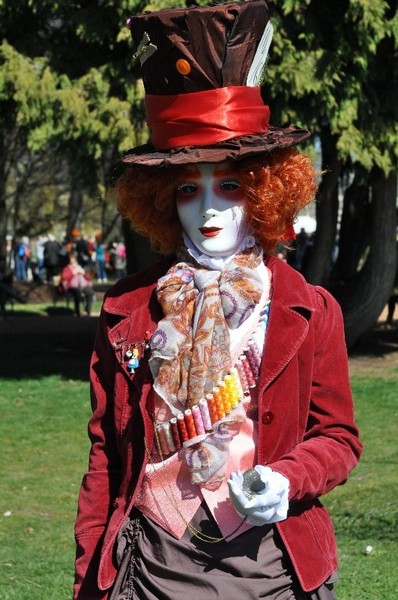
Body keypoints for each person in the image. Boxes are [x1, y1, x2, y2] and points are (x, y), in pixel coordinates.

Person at [73, 2, 362, 599]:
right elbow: (106, 456)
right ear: (162, 198)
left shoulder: (310, 309)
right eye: (187, 188)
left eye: (229, 184)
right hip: (153, 567)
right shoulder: (128, 309)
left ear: (264, 190)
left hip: (271, 569)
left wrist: (287, 477)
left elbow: (338, 438)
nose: (208, 208)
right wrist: (87, 583)